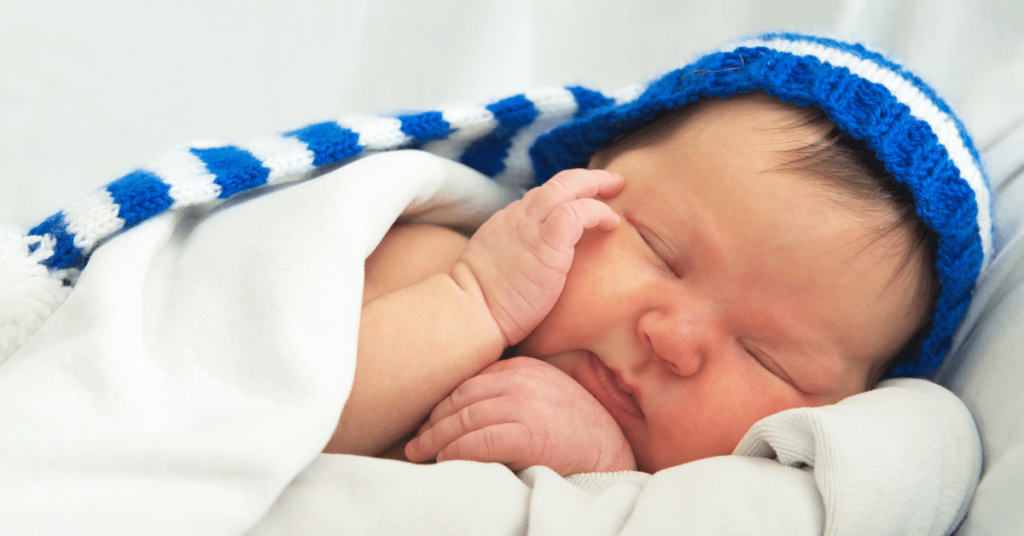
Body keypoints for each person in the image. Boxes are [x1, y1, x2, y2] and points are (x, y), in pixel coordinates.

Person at [322, 34, 991, 476]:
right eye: (660, 252)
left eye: (767, 355)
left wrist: (604, 476)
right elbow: (272, 407)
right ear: (584, 175)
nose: (673, 340)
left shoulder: (722, 495)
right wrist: (475, 300)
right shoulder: (435, 267)